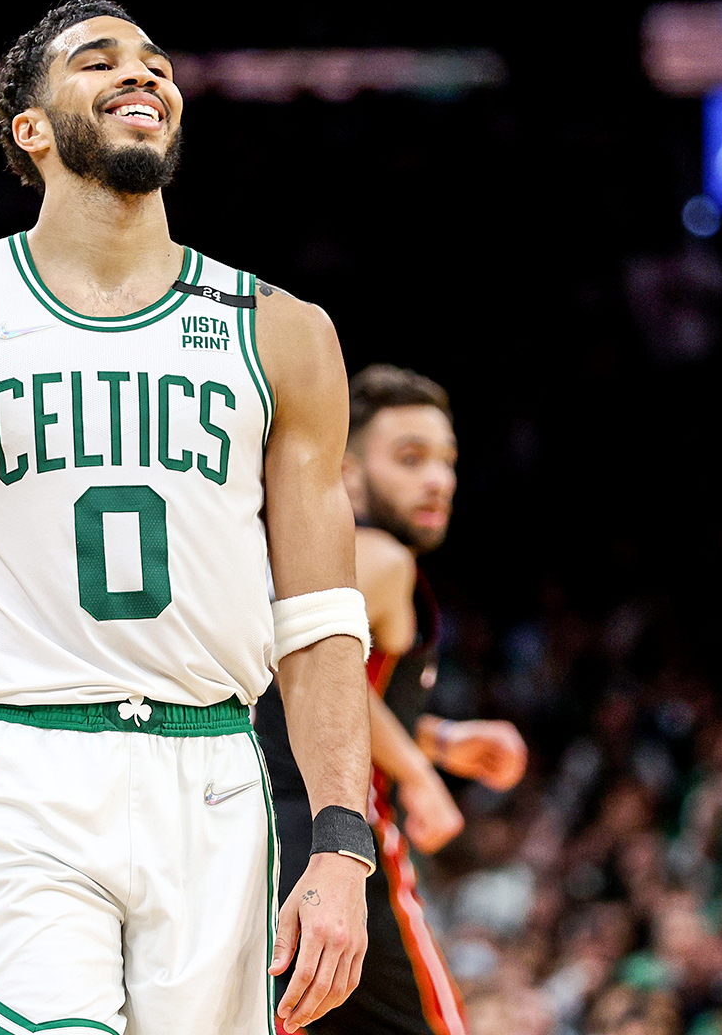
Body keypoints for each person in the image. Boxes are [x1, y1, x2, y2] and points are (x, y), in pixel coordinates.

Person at [0, 0, 373, 1035]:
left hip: (217, 770)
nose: (143, 75)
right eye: (99, 61)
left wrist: (343, 849)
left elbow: (321, 617)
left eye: (157, 63)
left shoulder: (284, 333)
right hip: (23, 761)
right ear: (30, 130)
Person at [256, 364, 527, 1035]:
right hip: (335, 835)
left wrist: (434, 738)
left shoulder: (305, 559)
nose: (437, 478)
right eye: (410, 459)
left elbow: (326, 691)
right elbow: (310, 671)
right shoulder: (379, 555)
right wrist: (416, 772)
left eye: (446, 461)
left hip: (260, 830)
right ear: (346, 473)